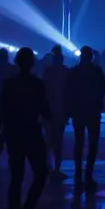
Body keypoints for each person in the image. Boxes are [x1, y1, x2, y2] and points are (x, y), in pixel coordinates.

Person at [0, 48, 51, 209]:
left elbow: (2, 109)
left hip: (13, 133)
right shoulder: (37, 84)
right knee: (41, 173)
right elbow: (45, 109)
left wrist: (0, 132)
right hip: (32, 132)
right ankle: (27, 208)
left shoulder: (9, 84)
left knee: (16, 176)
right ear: (32, 63)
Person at [65, 46, 105, 189]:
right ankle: (88, 174)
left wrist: (69, 109)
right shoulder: (97, 71)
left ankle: (78, 173)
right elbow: (102, 90)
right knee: (92, 144)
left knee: (79, 142)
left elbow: (68, 91)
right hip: (92, 111)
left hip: (78, 111)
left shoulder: (74, 71)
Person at [42, 46, 69, 176]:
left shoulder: (48, 71)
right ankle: (56, 167)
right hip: (60, 109)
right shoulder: (65, 71)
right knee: (58, 139)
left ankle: (49, 165)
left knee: (49, 139)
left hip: (49, 108)